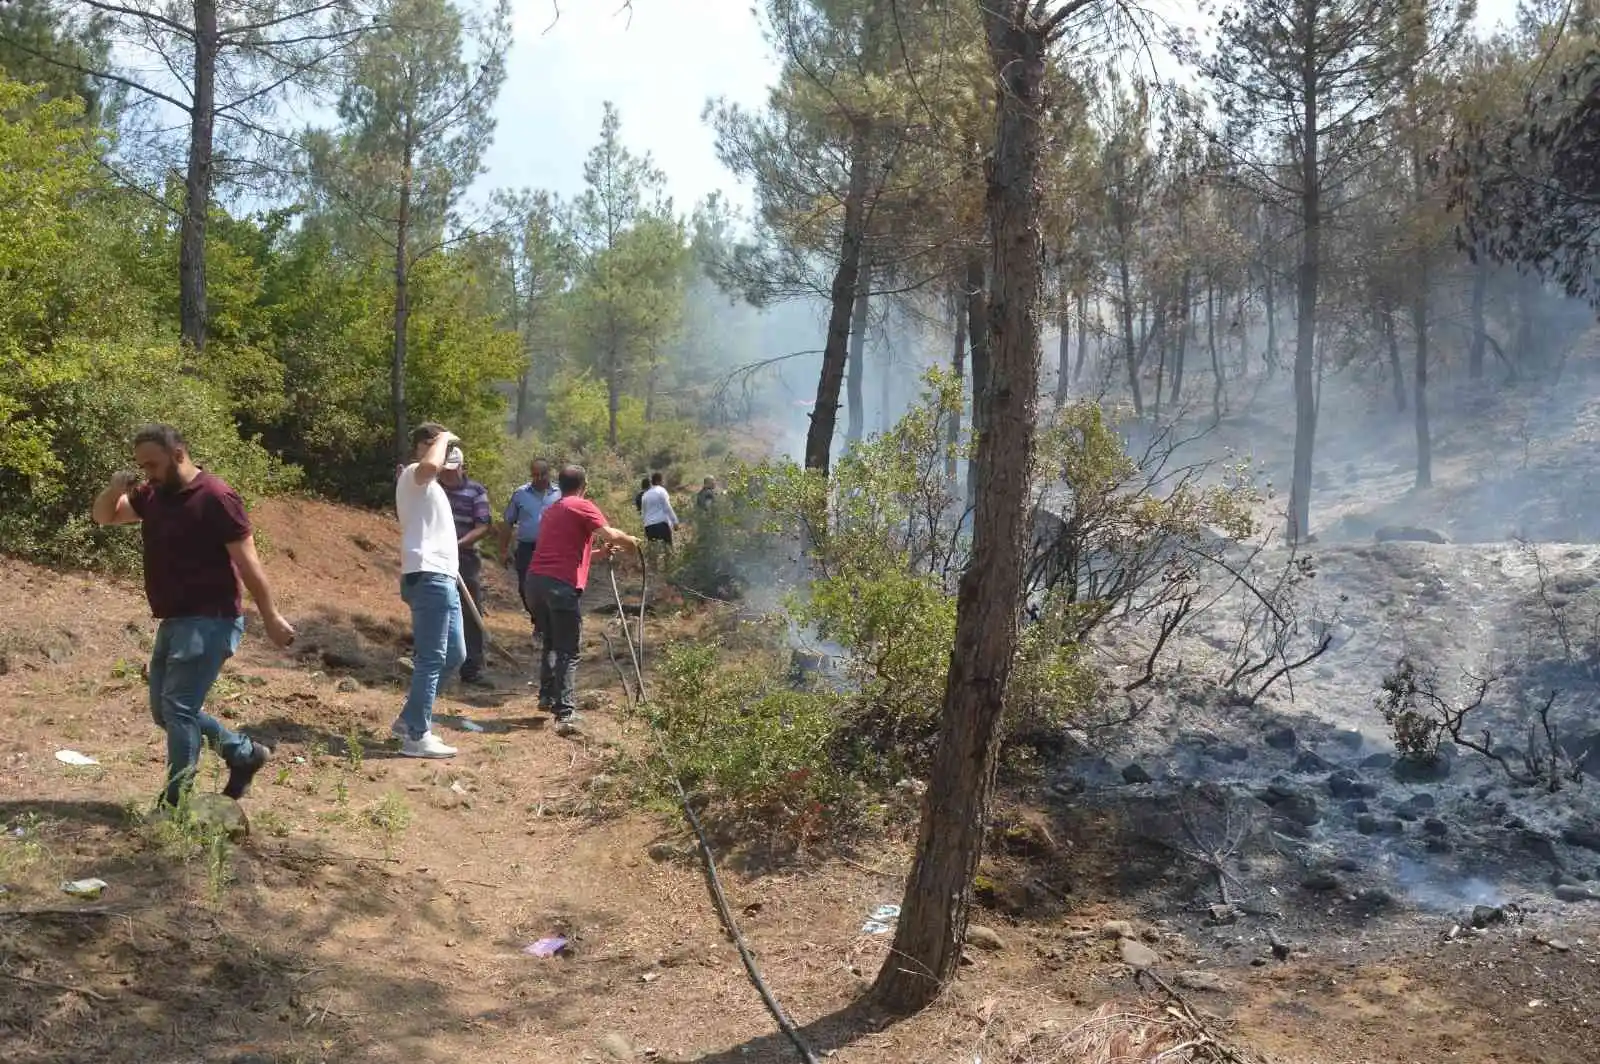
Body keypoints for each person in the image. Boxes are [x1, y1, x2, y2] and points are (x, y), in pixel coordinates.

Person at [91, 424, 295, 808]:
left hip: (212, 617)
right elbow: (105, 516)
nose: (147, 472)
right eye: (141, 465)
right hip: (175, 618)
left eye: (153, 463)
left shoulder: (216, 497)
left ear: (179, 454)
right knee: (164, 711)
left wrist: (270, 616)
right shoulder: (153, 495)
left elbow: (249, 565)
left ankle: (175, 803)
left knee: (179, 709)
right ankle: (243, 753)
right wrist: (116, 487)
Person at [524, 465, 641, 728]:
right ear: (583, 485)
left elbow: (564, 551)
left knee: (551, 641)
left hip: (535, 584)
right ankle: (565, 712)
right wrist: (630, 542)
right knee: (568, 650)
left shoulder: (552, 510)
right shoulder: (582, 505)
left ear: (560, 485)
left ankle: (546, 695)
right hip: (559, 586)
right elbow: (610, 534)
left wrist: (599, 554)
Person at [391, 423, 466, 758]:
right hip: (429, 577)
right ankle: (417, 736)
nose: (449, 455)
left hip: (443, 577)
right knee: (432, 658)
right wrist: (445, 438)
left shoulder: (430, 486)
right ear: (425, 445)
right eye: (442, 447)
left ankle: (408, 719)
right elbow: (430, 466)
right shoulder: (413, 474)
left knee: (455, 655)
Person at [438, 445, 492, 687]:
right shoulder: (433, 488)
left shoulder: (476, 491)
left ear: (461, 467)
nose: (447, 474)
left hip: (465, 558)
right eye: (444, 469)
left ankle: (473, 667)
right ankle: (432, 663)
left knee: (471, 612)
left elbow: (482, 527)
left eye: (451, 470)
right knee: (435, 609)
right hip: (436, 558)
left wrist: (458, 544)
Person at [499, 459, 561, 617]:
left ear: (549, 473)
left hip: (553, 550)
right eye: (535, 475)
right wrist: (503, 550)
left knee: (549, 587)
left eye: (542, 474)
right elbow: (508, 522)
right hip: (527, 548)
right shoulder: (520, 494)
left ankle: (546, 624)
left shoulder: (559, 494)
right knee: (525, 587)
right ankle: (537, 619)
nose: (539, 478)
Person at [639, 471, 680, 553]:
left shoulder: (645, 495)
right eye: (662, 481)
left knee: (654, 552)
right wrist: (675, 521)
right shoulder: (661, 490)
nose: (663, 482)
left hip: (649, 526)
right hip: (661, 524)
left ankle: (654, 565)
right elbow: (667, 507)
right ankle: (668, 565)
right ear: (658, 481)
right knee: (668, 549)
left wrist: (644, 528)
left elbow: (643, 514)